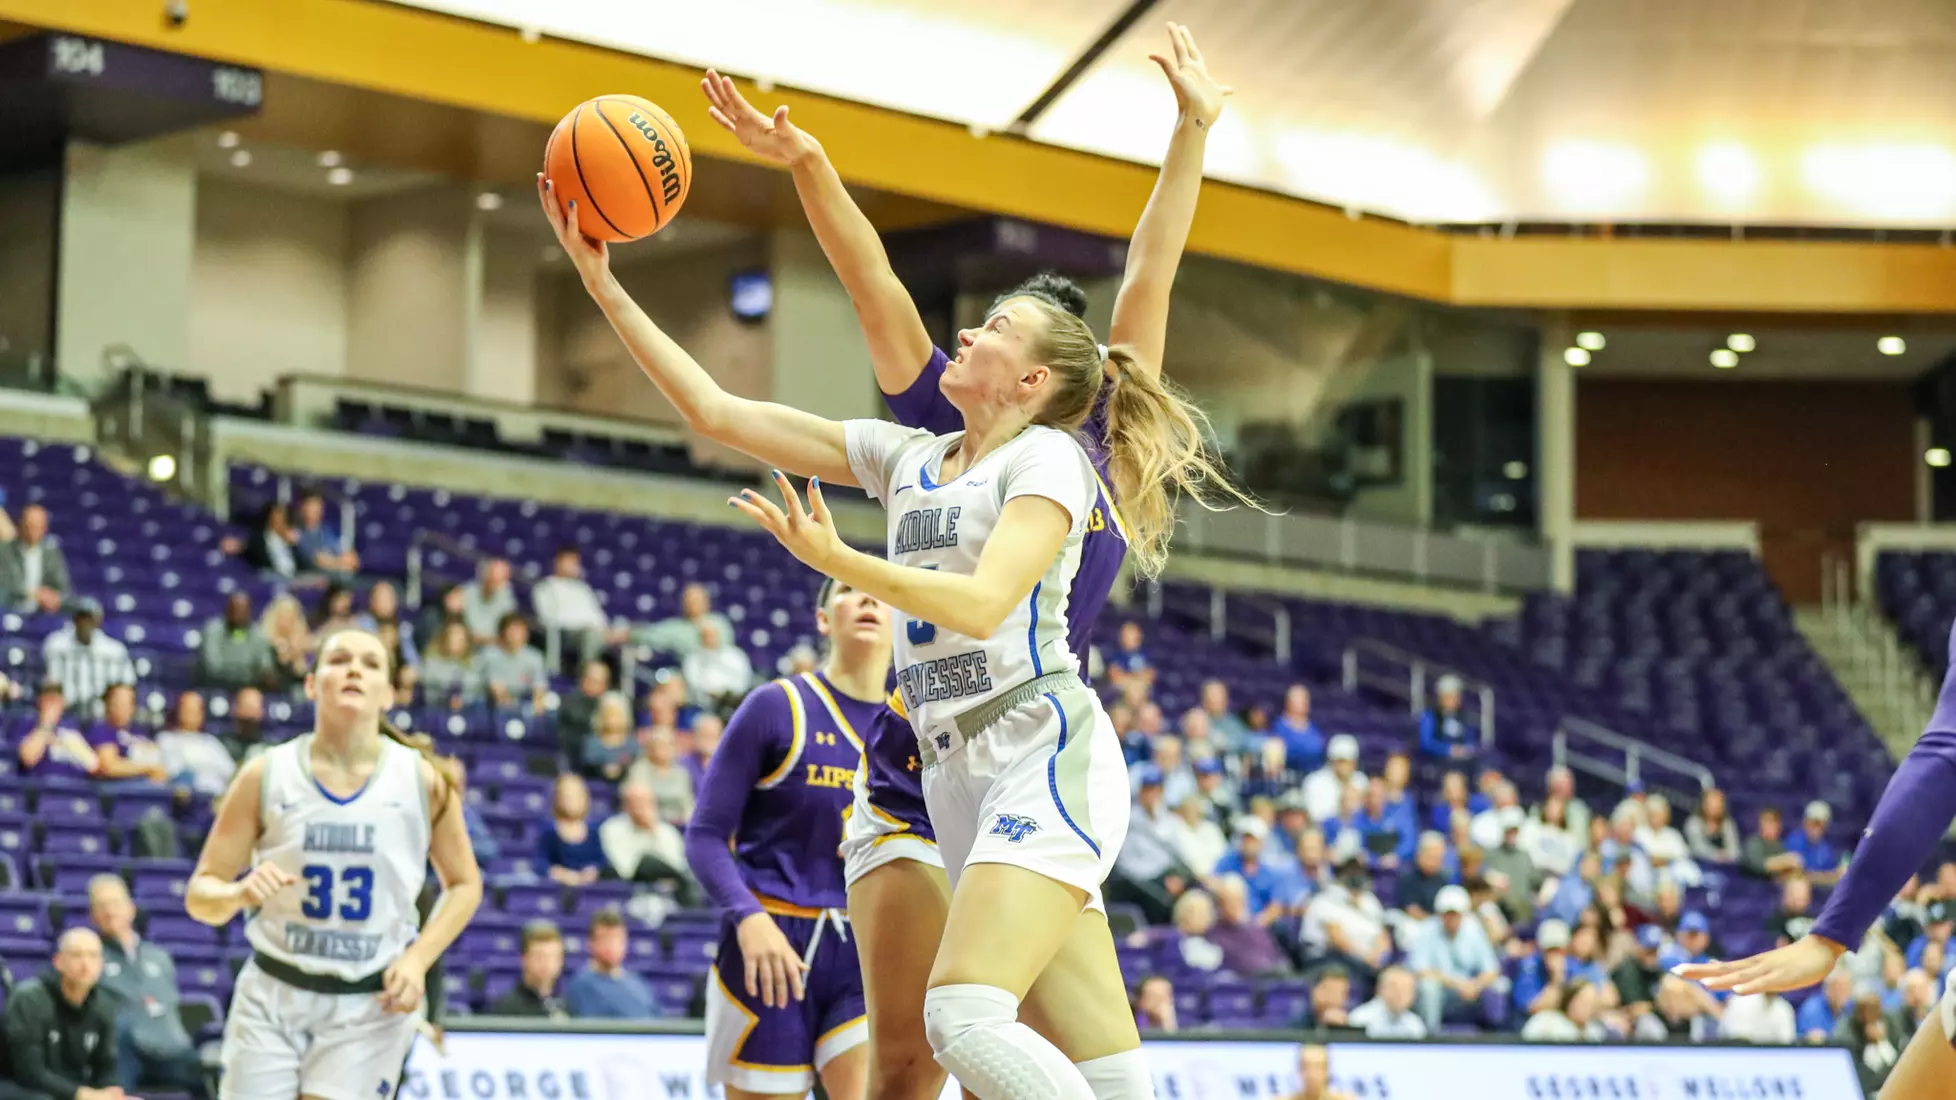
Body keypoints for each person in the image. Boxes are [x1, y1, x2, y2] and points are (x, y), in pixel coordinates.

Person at [564, 23, 1246, 1099]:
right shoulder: (927, 443)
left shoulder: (1078, 454)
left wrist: (1192, 130)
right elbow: (827, 317)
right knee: (911, 1060)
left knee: (987, 1042)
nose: (965, 332)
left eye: (996, 326)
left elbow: (1148, 276)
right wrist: (793, 173)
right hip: (918, 762)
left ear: (1039, 380)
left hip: (1031, 741)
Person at [182, 629, 483, 1100]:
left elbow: (465, 885)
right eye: (339, 659)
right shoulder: (266, 773)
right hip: (274, 992)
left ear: (389, 692)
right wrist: (238, 893)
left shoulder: (421, 780)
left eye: (370, 663)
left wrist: (418, 959)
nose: (353, 670)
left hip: (368, 1003)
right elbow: (200, 894)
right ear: (311, 683)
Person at [682, 576, 887, 1098]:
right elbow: (704, 836)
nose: (867, 598)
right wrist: (747, 917)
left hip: (866, 949)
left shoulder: (915, 728)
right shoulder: (776, 707)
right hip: (769, 945)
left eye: (882, 592)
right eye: (847, 589)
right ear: (824, 620)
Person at [90, 875, 205, 1097]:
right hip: (124, 1053)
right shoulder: (91, 956)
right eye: (101, 906)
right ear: (92, 916)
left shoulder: (159, 956)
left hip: (170, 1049)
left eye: (115, 903)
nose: (109, 911)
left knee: (215, 1072)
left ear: (131, 909)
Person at [0, 928, 120, 1100]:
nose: (85, 964)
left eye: (93, 956)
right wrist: (80, 1094)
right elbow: (29, 1073)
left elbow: (106, 1067)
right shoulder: (29, 998)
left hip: (66, 1087)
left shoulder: (104, 1004)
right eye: (77, 955)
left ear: (101, 964)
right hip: (13, 1084)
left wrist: (110, 1094)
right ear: (58, 961)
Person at [600, 781, 698, 903]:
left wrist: (653, 832)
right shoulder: (612, 828)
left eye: (645, 802)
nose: (640, 808)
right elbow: (625, 869)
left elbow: (677, 865)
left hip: (670, 891)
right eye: (635, 802)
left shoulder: (666, 831)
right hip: (632, 890)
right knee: (647, 862)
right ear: (625, 805)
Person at [42, 599, 136, 720]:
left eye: (89, 618)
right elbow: (51, 683)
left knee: (123, 695)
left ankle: (118, 732)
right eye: (81, 618)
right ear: (74, 619)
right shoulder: (56, 645)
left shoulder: (113, 650)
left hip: (102, 715)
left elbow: (126, 684)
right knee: (51, 700)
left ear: (97, 621)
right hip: (64, 712)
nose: (85, 623)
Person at [564, 910, 658, 1019]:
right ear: (591, 944)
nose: (612, 946)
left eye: (618, 939)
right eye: (605, 939)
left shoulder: (639, 983)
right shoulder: (582, 986)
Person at [0, 502, 72, 613]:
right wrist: (33, 594)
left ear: (45, 528)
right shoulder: (5, 551)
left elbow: (63, 587)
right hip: (10, 609)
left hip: (43, 612)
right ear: (21, 525)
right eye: (30, 526)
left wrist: (54, 597)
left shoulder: (51, 553)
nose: (32, 532)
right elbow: (4, 586)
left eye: (38, 527)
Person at [488, 920, 569, 1018]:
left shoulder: (568, 1005)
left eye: (553, 956)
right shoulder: (506, 1008)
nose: (546, 963)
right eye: (539, 956)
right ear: (524, 959)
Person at [538, 773, 607, 886]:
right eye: (567, 797)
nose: (572, 801)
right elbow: (540, 863)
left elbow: (602, 861)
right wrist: (560, 873)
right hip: (560, 889)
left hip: (589, 889)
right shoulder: (549, 831)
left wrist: (594, 871)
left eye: (576, 796)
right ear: (557, 798)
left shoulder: (594, 831)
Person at [1346, 966, 1426, 1039]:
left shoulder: (1415, 1023)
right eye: (1396, 988)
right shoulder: (1360, 1019)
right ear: (1381, 989)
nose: (1401, 995)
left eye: (1407, 990)